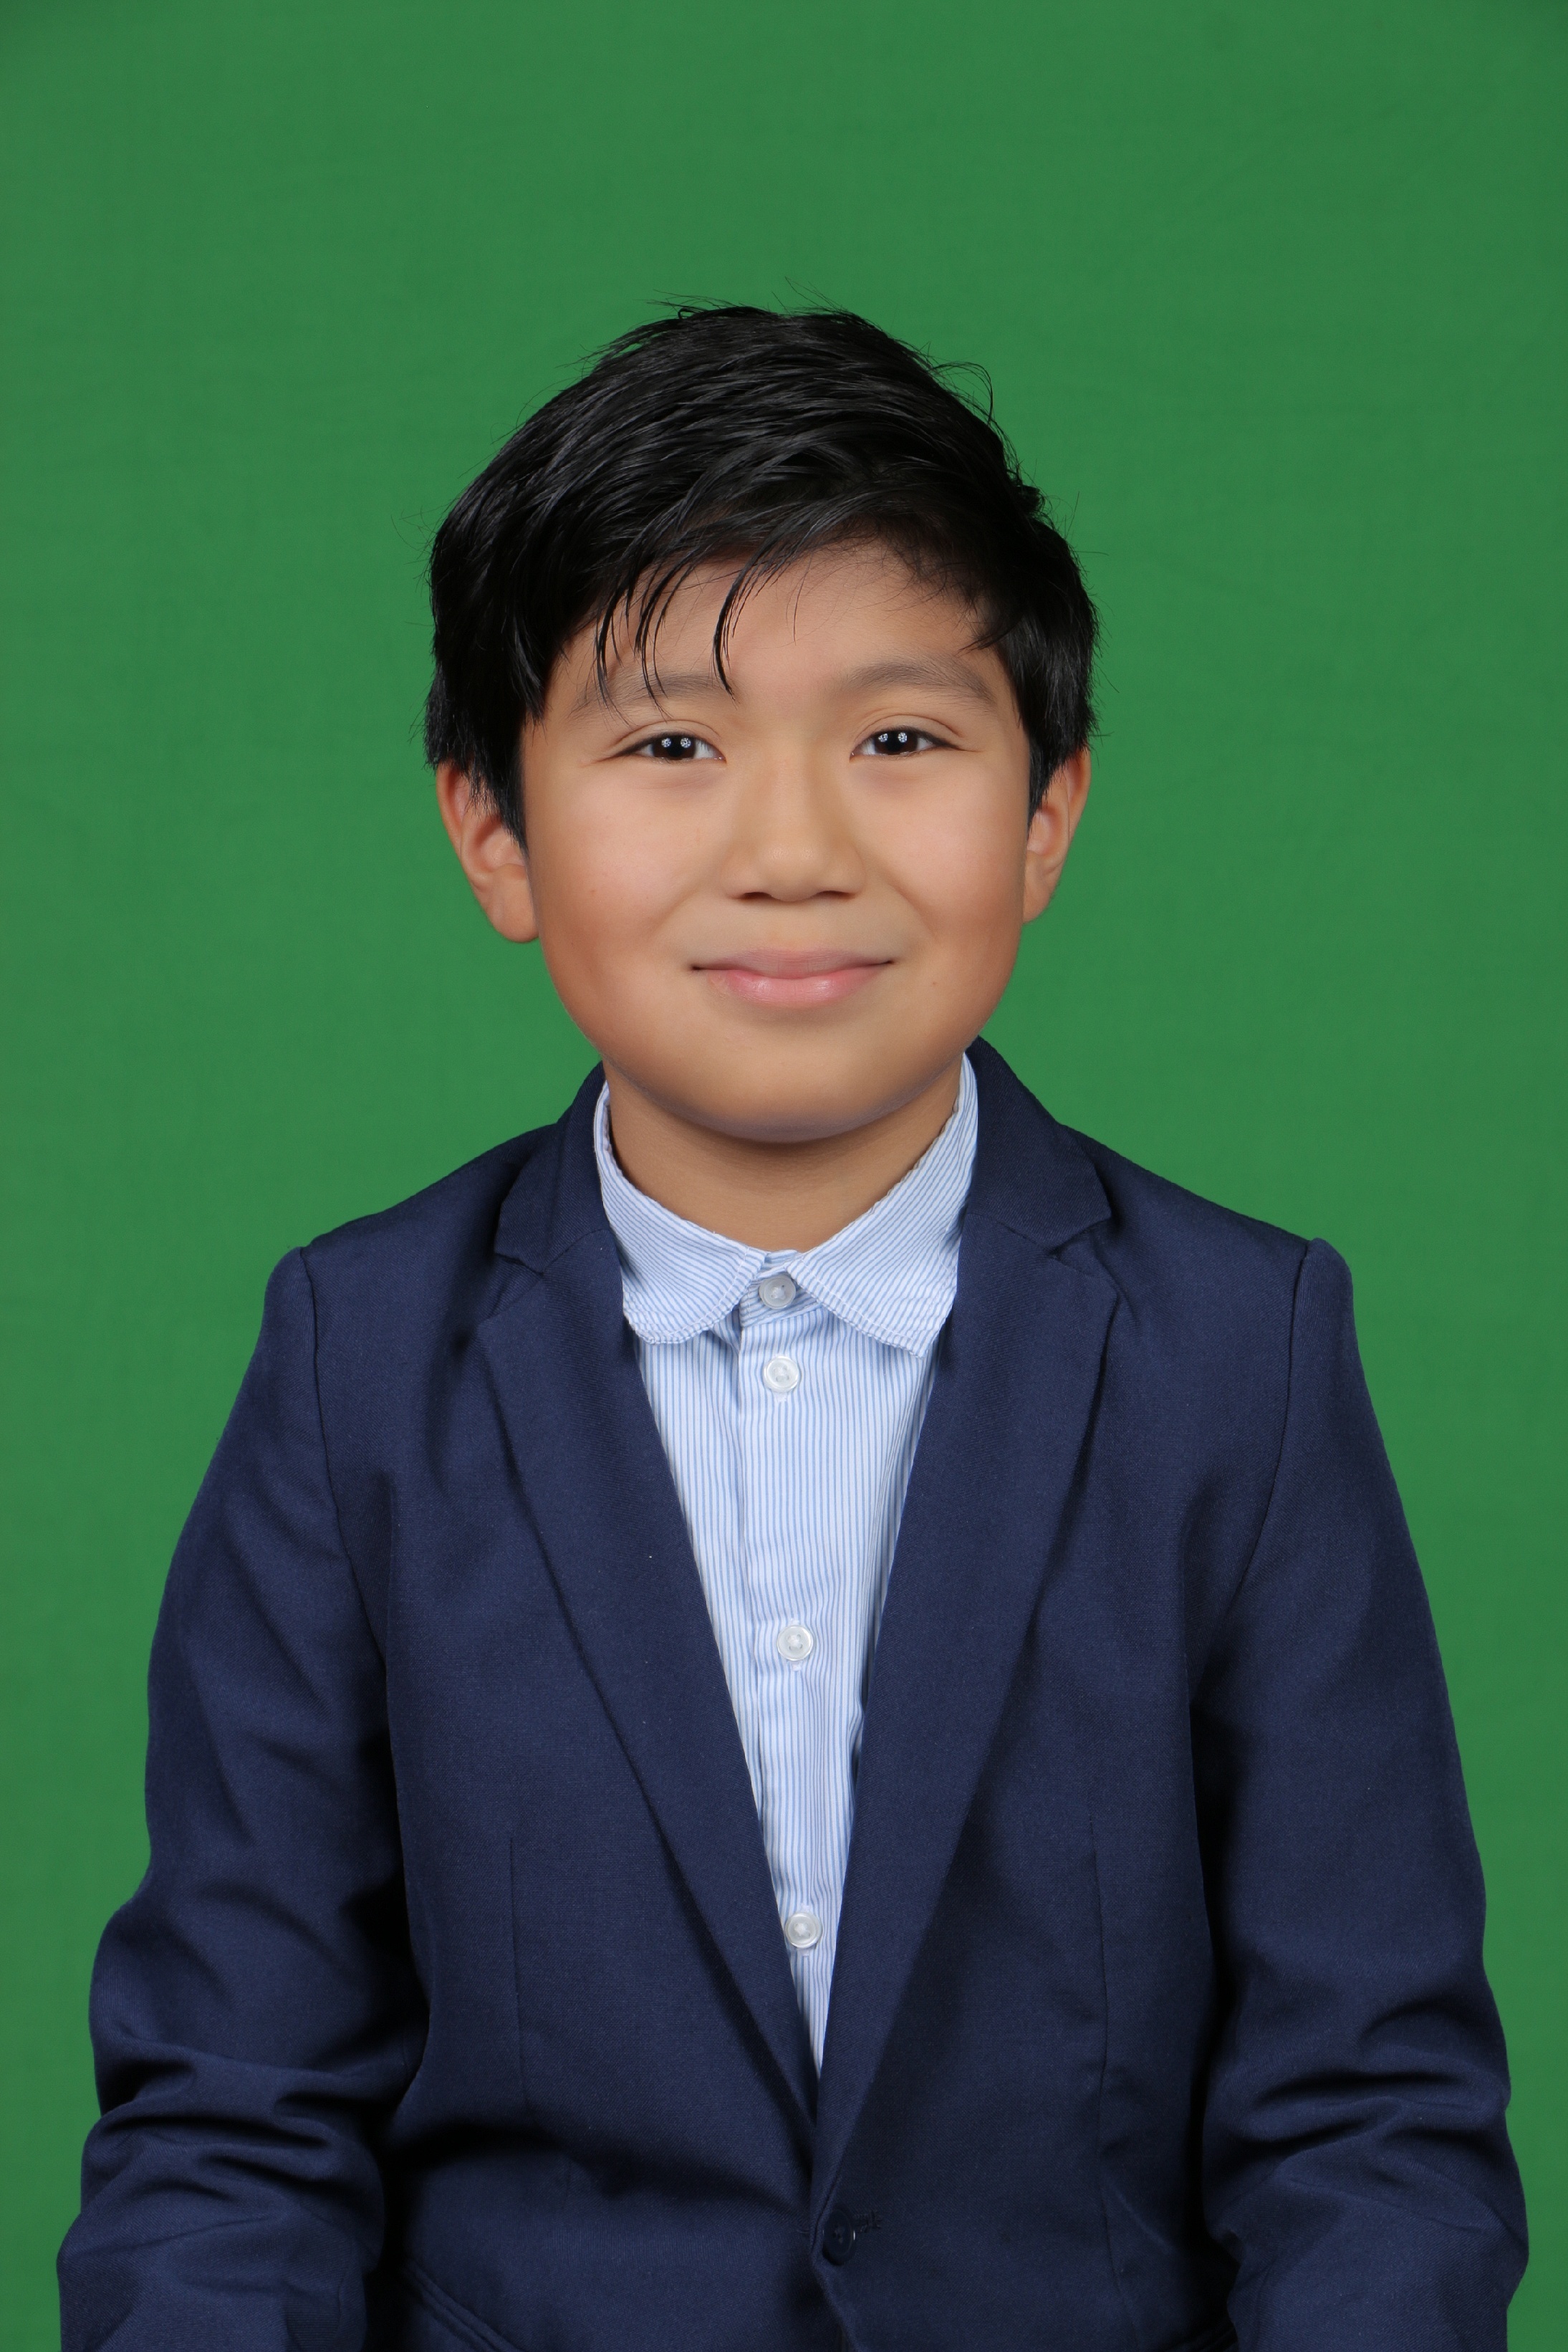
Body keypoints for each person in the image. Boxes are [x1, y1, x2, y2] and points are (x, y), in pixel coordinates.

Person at [59, 306, 1525, 2352]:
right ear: (493, 828)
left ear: (1048, 812)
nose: (792, 853)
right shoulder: (356, 1362)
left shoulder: (1237, 1350)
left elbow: (1368, 2128)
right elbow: (234, 2129)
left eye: (901, 740)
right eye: (671, 745)